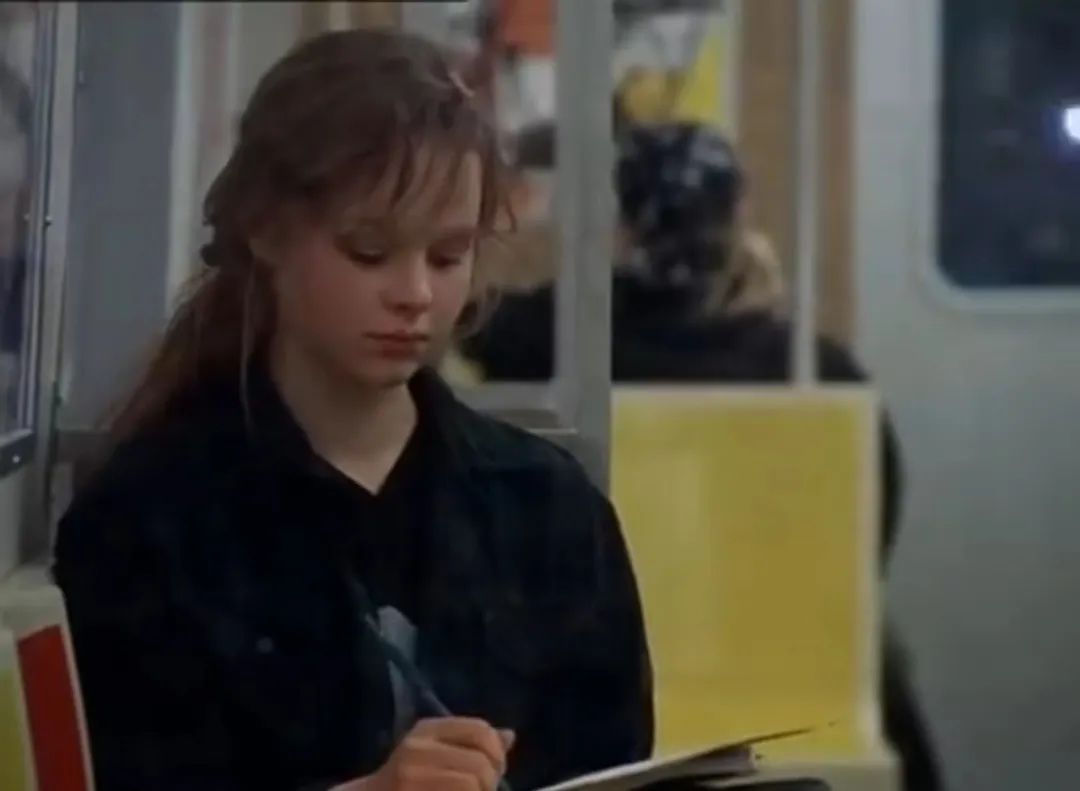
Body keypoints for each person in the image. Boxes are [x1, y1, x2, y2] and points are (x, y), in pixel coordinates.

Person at [52, 30, 653, 791]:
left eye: (448, 256)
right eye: (369, 252)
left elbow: (614, 764)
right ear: (266, 232)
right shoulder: (148, 520)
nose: (416, 294)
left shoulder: (550, 509)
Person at [461, 122, 943, 791]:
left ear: (621, 224)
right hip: (782, 649)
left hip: (593, 638)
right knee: (877, 649)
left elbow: (469, 322)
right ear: (736, 220)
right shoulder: (810, 369)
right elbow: (868, 525)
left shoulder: (543, 344)